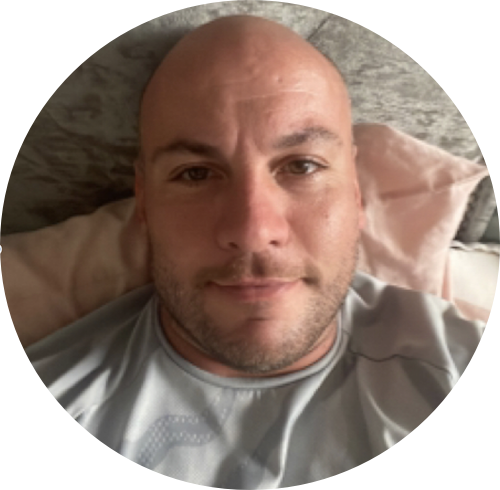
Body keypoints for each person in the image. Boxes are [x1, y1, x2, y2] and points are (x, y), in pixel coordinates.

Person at [25, 15, 484, 486]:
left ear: (356, 192)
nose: (252, 231)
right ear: (144, 202)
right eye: (195, 173)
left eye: (302, 166)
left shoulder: (452, 365)